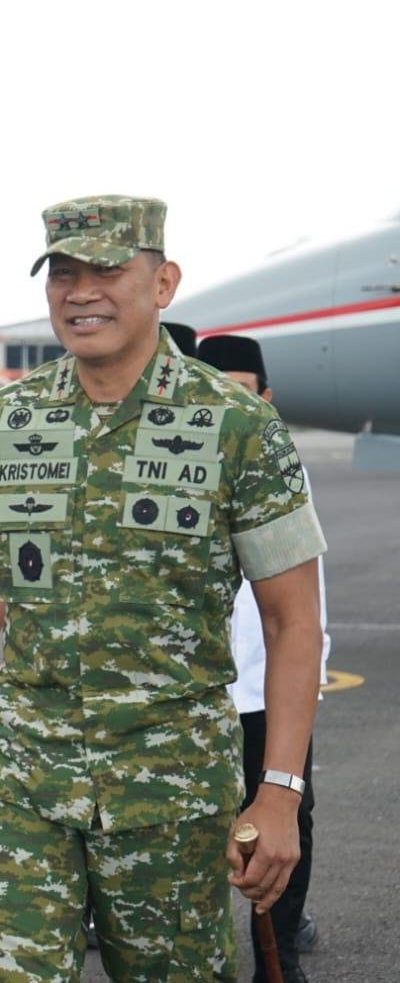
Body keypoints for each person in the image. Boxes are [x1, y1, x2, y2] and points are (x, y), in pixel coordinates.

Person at [0, 196, 328, 982]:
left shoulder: (238, 427)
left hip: (172, 790)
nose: (81, 292)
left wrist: (278, 791)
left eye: (106, 271)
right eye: (63, 274)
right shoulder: (1, 424)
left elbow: (293, 623)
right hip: (27, 779)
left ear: (164, 283)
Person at [198, 332, 327, 983]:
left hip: (263, 686)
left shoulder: (277, 465)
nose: (228, 405)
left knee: (284, 815)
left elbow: (305, 604)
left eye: (242, 393)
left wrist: (310, 678)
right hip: (195, 690)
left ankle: (280, 952)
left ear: (267, 397)